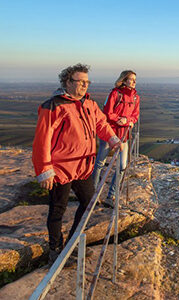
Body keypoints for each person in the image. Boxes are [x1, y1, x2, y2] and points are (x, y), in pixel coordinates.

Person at [32, 63, 121, 265]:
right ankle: (55, 251)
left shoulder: (89, 104)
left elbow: (101, 124)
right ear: (67, 81)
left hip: (83, 168)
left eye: (86, 82)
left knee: (88, 204)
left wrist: (113, 139)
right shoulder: (53, 105)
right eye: (79, 81)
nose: (84, 85)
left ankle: (71, 245)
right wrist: (44, 169)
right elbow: (42, 140)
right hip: (60, 170)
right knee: (57, 210)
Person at [92, 70, 140, 201]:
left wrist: (128, 121)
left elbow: (135, 115)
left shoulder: (136, 97)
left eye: (135, 79)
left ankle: (111, 194)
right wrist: (120, 118)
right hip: (109, 132)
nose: (134, 82)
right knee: (100, 163)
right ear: (124, 80)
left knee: (122, 166)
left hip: (124, 134)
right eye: (131, 79)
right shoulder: (115, 94)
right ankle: (92, 194)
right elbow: (107, 112)